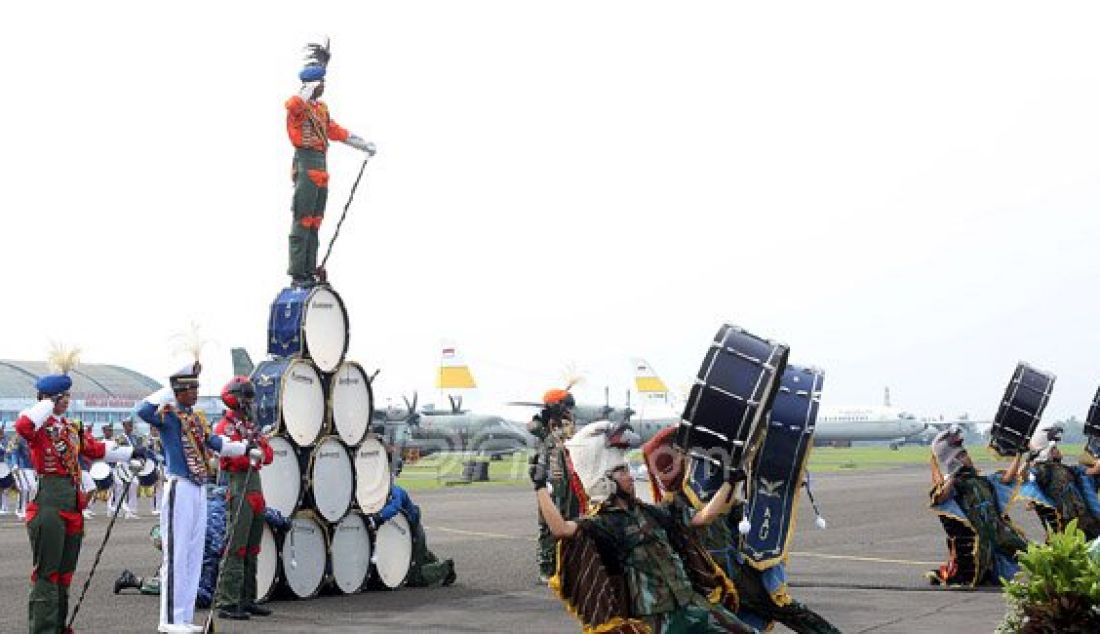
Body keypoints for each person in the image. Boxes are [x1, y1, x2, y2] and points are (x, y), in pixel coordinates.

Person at [535, 421, 754, 633]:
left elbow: (703, 517)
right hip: (655, 620)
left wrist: (730, 481)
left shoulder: (654, 513)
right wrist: (540, 488)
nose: (630, 476)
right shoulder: (602, 525)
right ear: (605, 481)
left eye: (627, 469)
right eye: (621, 471)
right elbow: (561, 529)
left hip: (692, 606)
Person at [642, 426, 839, 633]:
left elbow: (744, 513)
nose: (693, 461)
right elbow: (704, 517)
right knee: (782, 613)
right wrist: (729, 483)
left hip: (736, 572)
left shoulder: (703, 495)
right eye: (686, 456)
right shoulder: (672, 506)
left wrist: (778, 490)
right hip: (717, 582)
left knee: (784, 612)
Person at [15, 353, 146, 634]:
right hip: (49, 502)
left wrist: (131, 452)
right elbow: (23, 426)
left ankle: (59, 625)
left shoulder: (71, 428)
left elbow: (96, 449)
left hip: (71, 502)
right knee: (47, 574)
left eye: (66, 396)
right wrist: (46, 404)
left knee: (64, 573)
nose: (67, 400)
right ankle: (43, 629)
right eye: (62, 396)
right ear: (50, 398)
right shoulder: (38, 426)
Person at [136, 361, 252, 634]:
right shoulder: (167, 415)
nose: (195, 393)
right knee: (176, 555)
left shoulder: (196, 418)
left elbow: (216, 444)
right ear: (178, 390)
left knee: (193, 554)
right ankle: (168, 620)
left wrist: (246, 448)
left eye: (196, 388)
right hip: (180, 487)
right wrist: (170, 389)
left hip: (199, 487)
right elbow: (141, 410)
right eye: (189, 388)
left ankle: (184, 616)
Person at [285, 36, 376, 286]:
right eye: (320, 82)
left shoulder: (321, 110)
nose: (324, 86)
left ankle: (310, 268)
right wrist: (309, 85)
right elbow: (293, 104)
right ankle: (298, 270)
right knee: (302, 219)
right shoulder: (299, 108)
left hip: (321, 167)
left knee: (315, 221)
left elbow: (336, 131)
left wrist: (363, 144)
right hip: (306, 164)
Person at [926, 427, 1029, 587]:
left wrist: (1020, 456)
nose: (967, 457)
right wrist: (953, 474)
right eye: (961, 455)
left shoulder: (982, 480)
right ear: (953, 460)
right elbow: (940, 498)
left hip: (995, 529)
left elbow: (1008, 478)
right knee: (973, 573)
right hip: (976, 535)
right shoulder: (954, 484)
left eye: (965, 453)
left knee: (1023, 549)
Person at [212, 376, 274, 621]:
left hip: (255, 486)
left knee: (252, 547)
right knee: (236, 546)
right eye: (246, 397)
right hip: (239, 484)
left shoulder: (249, 426)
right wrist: (252, 450)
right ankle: (228, 601)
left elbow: (267, 455)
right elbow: (232, 457)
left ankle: (248, 598)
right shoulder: (224, 428)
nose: (250, 402)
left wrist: (253, 450)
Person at [527, 387, 584, 582]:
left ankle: (568, 565)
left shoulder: (568, 424)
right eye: (566, 405)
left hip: (569, 478)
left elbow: (571, 440)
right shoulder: (543, 425)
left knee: (571, 519)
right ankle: (546, 567)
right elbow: (533, 427)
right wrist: (545, 417)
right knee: (547, 524)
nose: (570, 410)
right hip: (550, 479)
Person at [365, 467, 456, 588]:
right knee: (417, 558)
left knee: (414, 578)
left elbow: (394, 507)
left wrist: (377, 518)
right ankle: (429, 560)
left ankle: (446, 569)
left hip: (413, 534)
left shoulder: (395, 491)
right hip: (403, 536)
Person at [1016, 423, 1100, 541]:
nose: (1058, 450)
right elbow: (1022, 477)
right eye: (1054, 448)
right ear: (1047, 451)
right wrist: (1028, 460)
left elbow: (1094, 470)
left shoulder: (1067, 469)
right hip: (1065, 526)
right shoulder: (1043, 471)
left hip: (1084, 521)